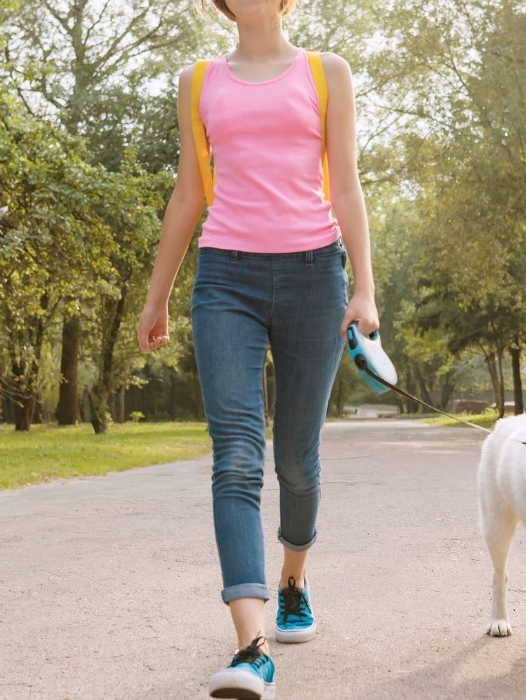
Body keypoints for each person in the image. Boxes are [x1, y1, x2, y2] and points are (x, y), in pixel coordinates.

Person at [136, 0, 379, 697]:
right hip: (225, 281)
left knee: (296, 460)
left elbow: (348, 182)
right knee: (238, 457)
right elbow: (188, 192)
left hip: (315, 278)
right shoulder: (198, 80)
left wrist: (364, 290)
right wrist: (157, 297)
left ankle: (294, 581)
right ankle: (251, 646)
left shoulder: (326, 73)